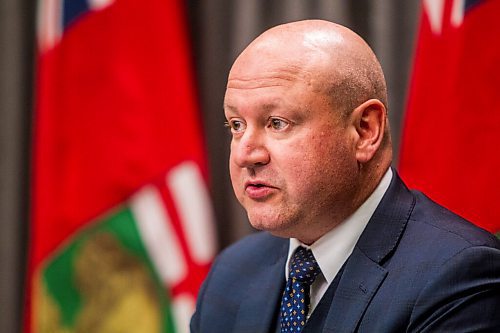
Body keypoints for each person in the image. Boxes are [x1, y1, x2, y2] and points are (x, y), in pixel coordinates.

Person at [190, 20, 500, 332]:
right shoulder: (231, 273)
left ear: (365, 130)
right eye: (236, 124)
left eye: (277, 122)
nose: (245, 155)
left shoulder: (460, 275)